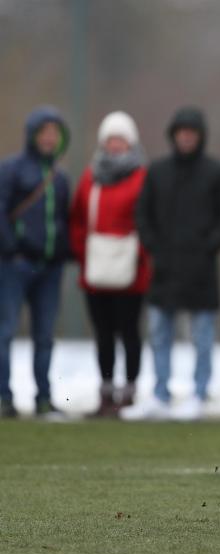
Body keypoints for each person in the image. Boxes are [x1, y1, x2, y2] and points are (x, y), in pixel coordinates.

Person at [129, 106, 220, 421]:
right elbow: (141, 214)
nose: (186, 138)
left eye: (191, 133)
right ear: (173, 135)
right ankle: (160, 394)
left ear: (201, 136)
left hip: (201, 270)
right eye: (181, 132)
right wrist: (153, 246)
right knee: (158, 333)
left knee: (202, 337)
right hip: (164, 268)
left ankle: (198, 394)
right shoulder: (157, 172)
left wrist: (209, 246)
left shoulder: (217, 172)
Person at [69, 111, 150, 417]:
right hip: (96, 271)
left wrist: (136, 253)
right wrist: (85, 252)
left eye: (121, 140)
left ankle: (128, 393)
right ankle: (105, 392)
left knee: (129, 332)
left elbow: (148, 221)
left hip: (132, 273)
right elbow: (78, 219)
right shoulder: (90, 178)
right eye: (111, 139)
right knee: (103, 334)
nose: (116, 145)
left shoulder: (142, 178)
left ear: (131, 143)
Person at [0, 106, 70, 419]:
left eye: (54, 133)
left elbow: (63, 219)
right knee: (5, 332)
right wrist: (11, 248)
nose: (49, 138)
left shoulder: (60, 178)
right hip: (14, 266)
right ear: (32, 135)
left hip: (49, 269)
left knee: (44, 337)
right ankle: (4, 398)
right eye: (44, 132)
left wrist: (63, 252)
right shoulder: (12, 170)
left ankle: (44, 398)